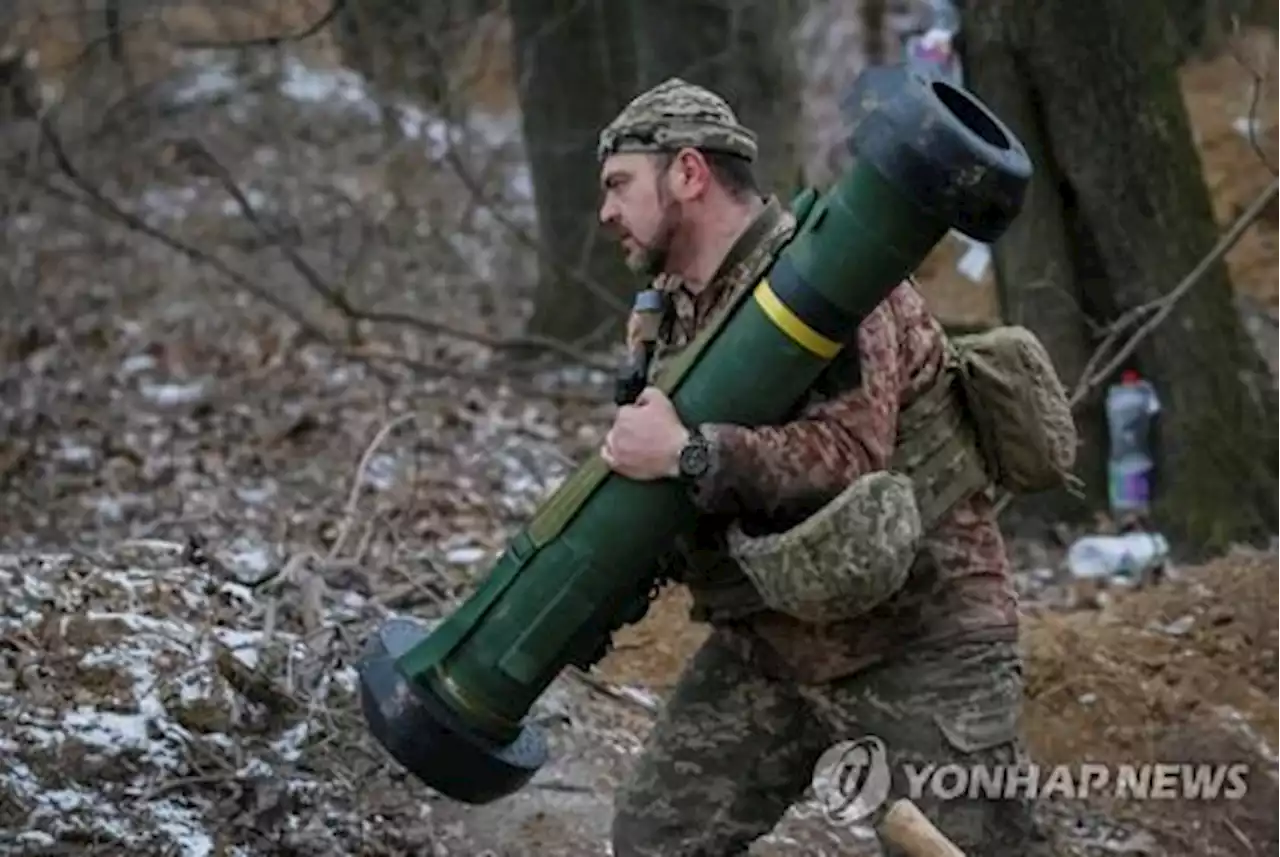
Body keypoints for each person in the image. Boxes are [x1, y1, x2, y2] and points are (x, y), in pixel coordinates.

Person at [594, 77, 1058, 856]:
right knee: (657, 838)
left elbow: (849, 457)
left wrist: (691, 452)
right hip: (772, 645)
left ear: (688, 172)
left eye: (618, 184)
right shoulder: (672, 313)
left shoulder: (837, 275)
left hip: (922, 640)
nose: (606, 211)